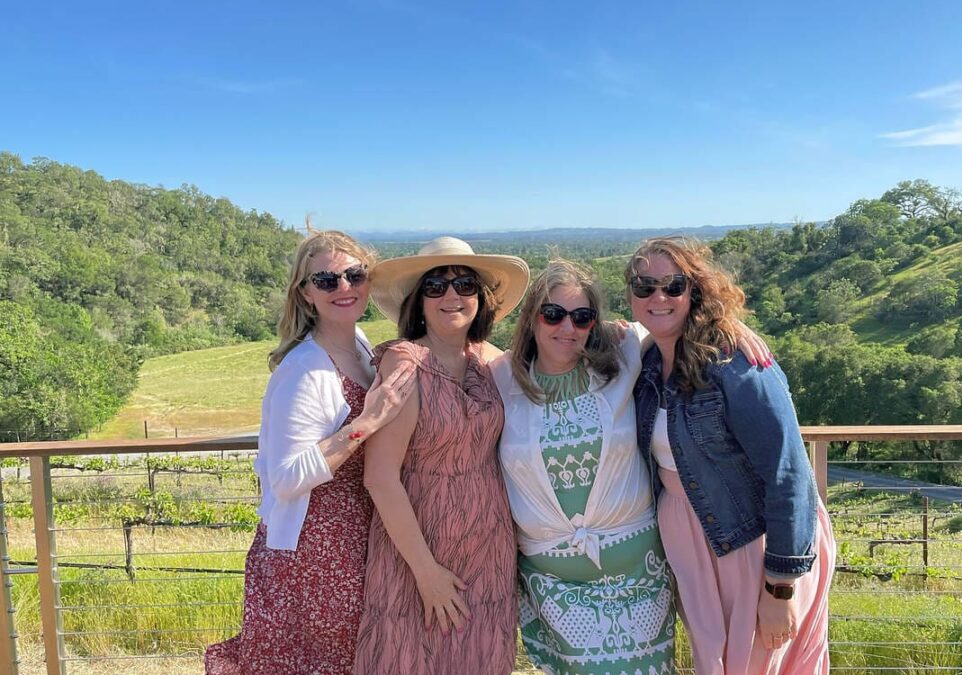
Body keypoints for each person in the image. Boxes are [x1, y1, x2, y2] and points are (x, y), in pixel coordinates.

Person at [205, 230, 414, 675]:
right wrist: (365, 425)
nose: (344, 288)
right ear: (305, 293)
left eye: (355, 275)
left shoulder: (357, 344)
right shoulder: (306, 369)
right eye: (326, 280)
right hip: (313, 555)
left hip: (351, 544)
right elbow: (285, 478)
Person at [627, 237, 835, 675]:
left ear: (694, 291)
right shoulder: (644, 360)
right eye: (644, 286)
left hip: (752, 543)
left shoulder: (735, 362)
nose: (658, 297)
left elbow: (790, 474)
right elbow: (562, 339)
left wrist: (780, 586)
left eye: (673, 285)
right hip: (694, 543)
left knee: (755, 664)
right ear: (630, 294)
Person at [489, 260, 679, 674]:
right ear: (532, 319)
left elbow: (675, 323)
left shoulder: (624, 356)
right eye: (553, 314)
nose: (567, 328)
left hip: (640, 581)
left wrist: (739, 331)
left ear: (595, 323)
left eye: (582, 317)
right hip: (555, 591)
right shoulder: (500, 378)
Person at [352, 237, 529, 675]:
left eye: (464, 284)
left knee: (481, 659)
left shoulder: (487, 361)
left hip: (488, 554)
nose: (452, 295)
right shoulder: (405, 364)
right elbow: (380, 477)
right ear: (419, 301)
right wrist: (426, 573)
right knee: (411, 658)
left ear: (481, 298)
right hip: (419, 552)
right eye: (436, 286)